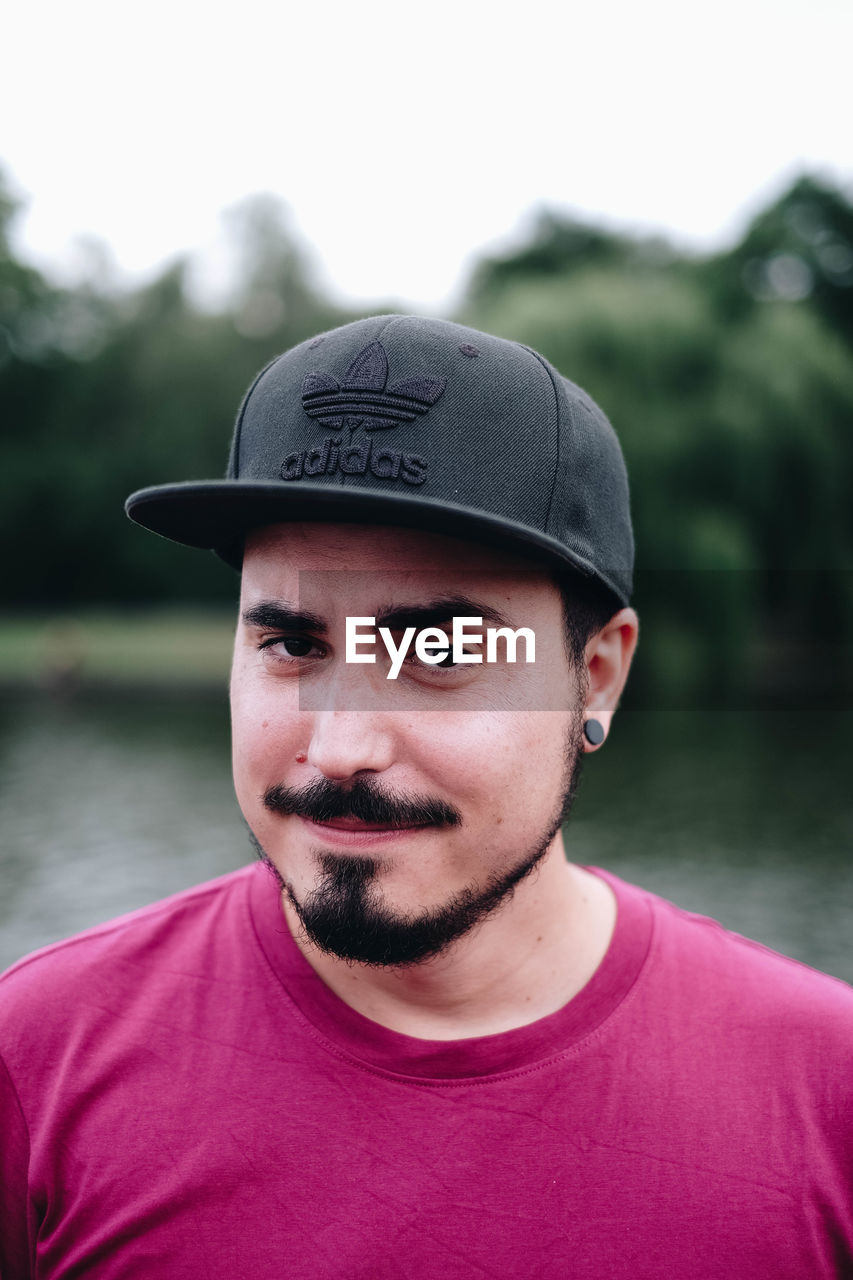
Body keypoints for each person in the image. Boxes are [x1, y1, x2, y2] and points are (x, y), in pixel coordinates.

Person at [1, 315, 851, 1278]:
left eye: (439, 650)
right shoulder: (37, 1060)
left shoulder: (826, 1097)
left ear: (598, 676)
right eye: (293, 645)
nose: (341, 746)